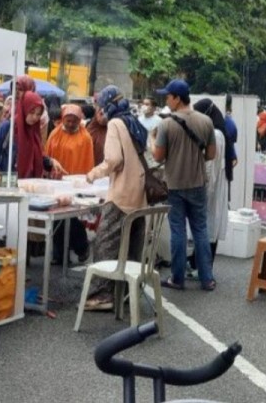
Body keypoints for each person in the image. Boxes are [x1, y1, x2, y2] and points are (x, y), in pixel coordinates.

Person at [83, 86, 150, 311]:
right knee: (132, 245)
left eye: (100, 107)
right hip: (140, 193)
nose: (99, 111)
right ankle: (127, 292)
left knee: (105, 243)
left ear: (107, 106)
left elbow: (113, 159)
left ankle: (102, 295)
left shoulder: (115, 124)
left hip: (121, 194)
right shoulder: (134, 122)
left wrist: (93, 174)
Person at [152, 79, 217, 291]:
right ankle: (206, 278)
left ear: (177, 98)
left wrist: (153, 141)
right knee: (200, 230)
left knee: (178, 231)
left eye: (168, 96)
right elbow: (211, 154)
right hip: (198, 183)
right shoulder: (206, 121)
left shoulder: (166, 124)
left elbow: (158, 156)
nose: (167, 100)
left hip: (174, 185)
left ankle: (177, 278)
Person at [45, 104, 93, 264]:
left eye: (74, 121)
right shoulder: (55, 134)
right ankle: (60, 255)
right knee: (57, 219)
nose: (71, 124)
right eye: (68, 120)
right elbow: (47, 154)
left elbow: (88, 162)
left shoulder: (85, 138)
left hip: (75, 183)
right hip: (56, 181)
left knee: (72, 219)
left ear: (79, 120)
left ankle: (82, 247)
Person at [0, 91, 65, 185]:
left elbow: (37, 156)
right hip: (8, 185)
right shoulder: (6, 129)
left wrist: (51, 162)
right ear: (23, 109)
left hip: (30, 187)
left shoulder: (34, 132)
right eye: (31, 112)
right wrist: (14, 186)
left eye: (38, 114)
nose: (35, 117)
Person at [191, 98, 228, 272]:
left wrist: (206, 190)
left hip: (212, 187)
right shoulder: (216, 131)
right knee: (207, 227)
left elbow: (211, 165)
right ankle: (201, 266)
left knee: (208, 228)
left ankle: (204, 268)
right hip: (213, 185)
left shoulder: (217, 134)